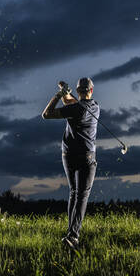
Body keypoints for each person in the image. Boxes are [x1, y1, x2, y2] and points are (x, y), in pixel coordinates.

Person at [41, 78, 100, 249]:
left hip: (68, 155)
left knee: (74, 193)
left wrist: (59, 94)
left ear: (79, 90)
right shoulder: (95, 106)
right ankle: (73, 236)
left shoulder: (74, 109)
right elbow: (75, 103)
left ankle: (71, 233)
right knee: (82, 195)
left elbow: (47, 114)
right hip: (86, 156)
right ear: (91, 90)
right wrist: (63, 93)